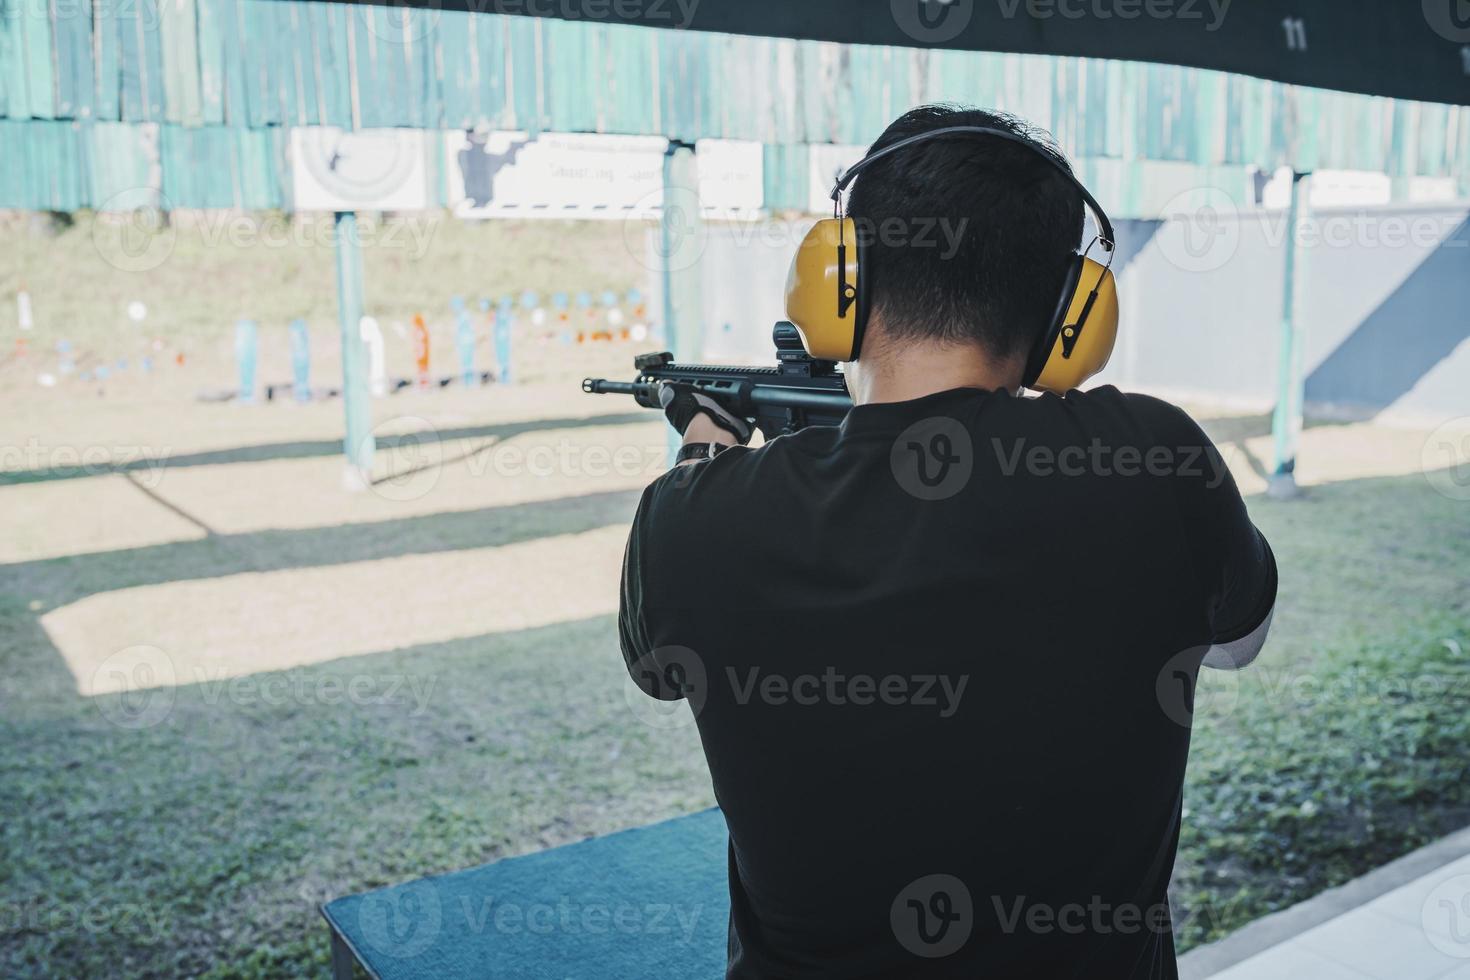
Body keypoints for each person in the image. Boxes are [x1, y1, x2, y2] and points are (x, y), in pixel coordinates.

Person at [619, 104, 1276, 979]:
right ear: (1068, 316)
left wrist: (706, 444)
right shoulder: (1157, 459)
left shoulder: (691, 521)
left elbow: (660, 673)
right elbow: (1240, 642)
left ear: (839, 283)